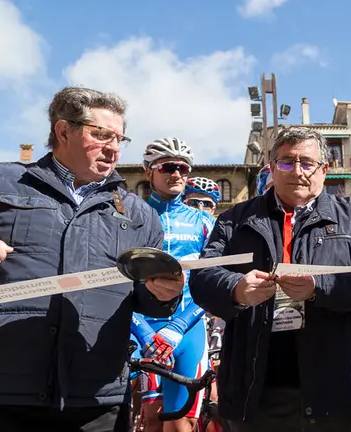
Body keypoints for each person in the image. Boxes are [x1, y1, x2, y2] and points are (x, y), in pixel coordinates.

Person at [0, 87, 184, 431]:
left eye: (119, 138)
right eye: (101, 135)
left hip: (96, 398)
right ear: (62, 131)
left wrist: (164, 294)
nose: (114, 148)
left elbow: (144, 299)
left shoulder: (139, 215)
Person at [190, 127, 351, 432]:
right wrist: (236, 290)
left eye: (307, 163)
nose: (297, 171)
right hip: (257, 394)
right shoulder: (234, 220)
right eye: (286, 162)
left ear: (324, 170)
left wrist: (318, 288)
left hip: (339, 390)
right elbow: (202, 277)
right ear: (272, 168)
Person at [130, 138, 216, 432]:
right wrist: (143, 332)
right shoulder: (130, 217)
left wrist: (177, 327)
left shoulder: (203, 221)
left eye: (182, 168)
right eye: (167, 167)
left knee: (182, 425)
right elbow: (116, 285)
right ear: (148, 171)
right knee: (151, 418)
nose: (176, 173)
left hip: (188, 328)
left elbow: (214, 282)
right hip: (142, 330)